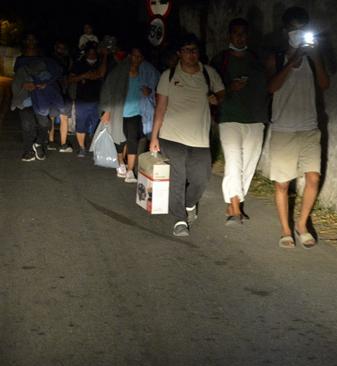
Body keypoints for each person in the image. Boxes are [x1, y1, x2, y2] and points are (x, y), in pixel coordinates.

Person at [265, 6, 329, 248]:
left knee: (313, 178)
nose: (298, 34)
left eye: (302, 30)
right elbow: (271, 87)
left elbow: (324, 84)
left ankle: (302, 224)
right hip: (283, 128)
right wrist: (292, 60)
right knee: (282, 183)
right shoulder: (277, 58)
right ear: (286, 32)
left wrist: (314, 59)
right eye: (294, 30)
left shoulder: (314, 58)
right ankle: (285, 230)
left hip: (309, 127)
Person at [149, 33, 225, 236]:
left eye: (194, 50)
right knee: (177, 178)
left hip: (200, 139)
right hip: (171, 136)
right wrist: (154, 136)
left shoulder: (209, 73)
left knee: (201, 179)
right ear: (179, 53)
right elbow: (161, 107)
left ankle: (189, 203)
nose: (191, 54)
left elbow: (222, 94)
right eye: (186, 50)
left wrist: (216, 99)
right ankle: (179, 219)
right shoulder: (169, 75)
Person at [212, 18, 269, 225]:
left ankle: (234, 201)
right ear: (229, 35)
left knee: (249, 165)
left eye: (243, 33)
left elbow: (267, 84)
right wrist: (229, 88)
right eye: (236, 33)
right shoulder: (220, 60)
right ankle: (235, 209)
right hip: (229, 118)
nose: (240, 37)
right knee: (234, 161)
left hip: (255, 118)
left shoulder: (257, 59)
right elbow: (211, 88)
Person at [100, 42, 160, 182]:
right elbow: (108, 89)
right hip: (119, 111)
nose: (136, 59)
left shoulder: (146, 71)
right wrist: (107, 110)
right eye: (134, 56)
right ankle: (120, 162)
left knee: (132, 140)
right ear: (130, 56)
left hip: (136, 112)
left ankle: (130, 171)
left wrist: (149, 91)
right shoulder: (120, 70)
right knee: (119, 140)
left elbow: (155, 86)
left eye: (139, 57)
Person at [11, 33, 66, 162]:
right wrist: (23, 85)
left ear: (37, 42)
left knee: (45, 124)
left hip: (41, 97)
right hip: (25, 98)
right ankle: (28, 151)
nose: (30, 42)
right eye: (28, 39)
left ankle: (39, 143)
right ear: (24, 42)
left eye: (33, 39)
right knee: (27, 125)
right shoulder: (20, 60)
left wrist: (42, 84)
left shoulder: (44, 59)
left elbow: (54, 75)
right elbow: (18, 77)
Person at [68, 42, 103, 157]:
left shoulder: (100, 63)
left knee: (98, 124)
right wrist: (83, 76)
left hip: (98, 100)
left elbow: (101, 75)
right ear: (86, 53)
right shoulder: (79, 64)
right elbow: (70, 79)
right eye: (90, 53)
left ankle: (97, 148)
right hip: (82, 100)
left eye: (94, 53)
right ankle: (82, 147)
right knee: (81, 124)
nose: (92, 55)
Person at [48, 39, 72, 152]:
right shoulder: (62, 60)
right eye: (59, 48)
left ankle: (53, 142)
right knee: (59, 117)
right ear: (55, 48)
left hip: (60, 91)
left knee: (55, 117)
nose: (61, 50)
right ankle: (59, 144)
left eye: (63, 48)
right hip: (57, 91)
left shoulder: (53, 59)